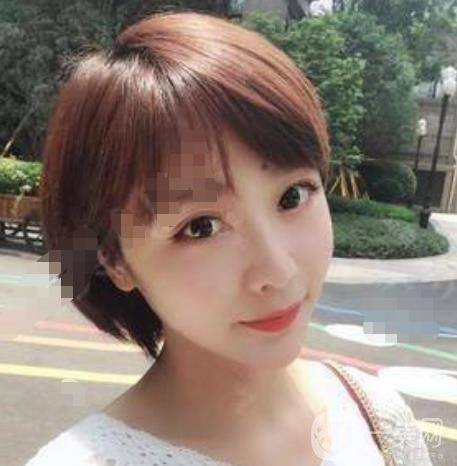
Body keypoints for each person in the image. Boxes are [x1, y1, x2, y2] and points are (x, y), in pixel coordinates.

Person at [25, 10, 432, 466]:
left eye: (293, 195)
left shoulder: (376, 416)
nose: (278, 270)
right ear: (115, 259)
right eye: (201, 226)